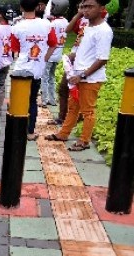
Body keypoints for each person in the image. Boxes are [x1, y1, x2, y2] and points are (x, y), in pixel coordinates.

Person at [45, 0, 113, 151]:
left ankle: (84, 141)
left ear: (101, 9)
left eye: (90, 7)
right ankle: (63, 134)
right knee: (73, 107)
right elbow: (88, 50)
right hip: (78, 74)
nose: (85, 10)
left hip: (90, 78)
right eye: (84, 7)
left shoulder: (104, 30)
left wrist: (82, 75)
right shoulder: (89, 26)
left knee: (88, 111)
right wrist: (74, 56)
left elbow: (103, 59)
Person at [10, 0, 57, 141]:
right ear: (37, 6)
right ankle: (30, 132)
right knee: (32, 101)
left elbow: (15, 49)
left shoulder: (17, 27)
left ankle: (15, 131)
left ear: (21, 7)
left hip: (21, 70)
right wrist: (43, 59)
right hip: (37, 70)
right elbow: (53, 44)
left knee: (17, 101)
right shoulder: (47, 25)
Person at [40, 0, 69, 107]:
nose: (51, 8)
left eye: (52, 7)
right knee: (52, 77)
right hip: (58, 54)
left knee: (45, 77)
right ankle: (52, 99)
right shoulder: (66, 22)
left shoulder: (53, 24)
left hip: (49, 54)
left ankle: (44, 100)